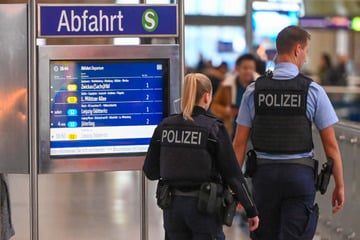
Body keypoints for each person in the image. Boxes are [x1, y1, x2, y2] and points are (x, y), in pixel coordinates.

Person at [232, 26, 345, 240]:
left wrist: (236, 188)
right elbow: (331, 147)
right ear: (297, 50)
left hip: (264, 178)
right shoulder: (312, 91)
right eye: (306, 52)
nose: (306, 57)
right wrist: (339, 185)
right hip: (299, 177)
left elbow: (239, 144)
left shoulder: (254, 91)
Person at [143, 73, 259, 240]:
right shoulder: (213, 128)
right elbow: (233, 175)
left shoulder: (164, 127)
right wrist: (251, 209)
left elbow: (151, 171)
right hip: (205, 208)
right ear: (206, 97)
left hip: (172, 209)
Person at [210, 54, 257, 138]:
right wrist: (226, 111)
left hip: (254, 132)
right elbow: (214, 105)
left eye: (251, 68)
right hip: (232, 131)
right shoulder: (226, 85)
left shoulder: (260, 85)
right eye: (245, 68)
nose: (248, 71)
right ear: (237, 68)